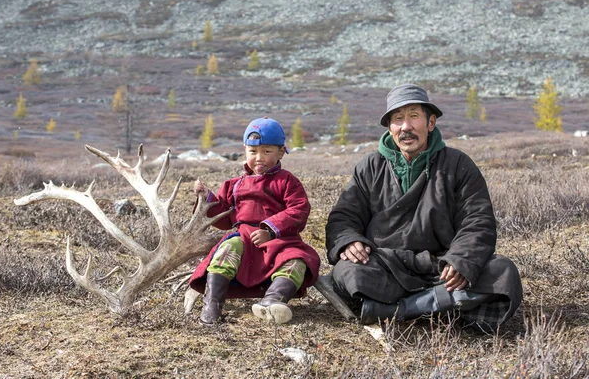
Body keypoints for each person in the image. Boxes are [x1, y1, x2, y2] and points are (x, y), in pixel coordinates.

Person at [325, 84, 522, 332]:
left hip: (442, 267)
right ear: (390, 128)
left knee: (502, 272)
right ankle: (444, 305)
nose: (406, 126)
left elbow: (478, 220)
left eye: (414, 116)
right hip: (387, 263)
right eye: (398, 119)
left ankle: (394, 310)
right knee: (347, 270)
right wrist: (348, 241)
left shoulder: (458, 164)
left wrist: (462, 259)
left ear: (430, 123)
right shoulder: (370, 166)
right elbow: (344, 216)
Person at [189, 117, 321, 325]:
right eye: (253, 152)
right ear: (245, 150)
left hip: (280, 241)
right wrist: (207, 199)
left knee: (298, 261)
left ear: (281, 152)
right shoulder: (234, 185)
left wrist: (270, 229)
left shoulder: (287, 181)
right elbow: (224, 216)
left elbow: (299, 209)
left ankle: (273, 301)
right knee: (226, 248)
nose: (259, 158)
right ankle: (212, 303)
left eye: (267, 152)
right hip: (243, 238)